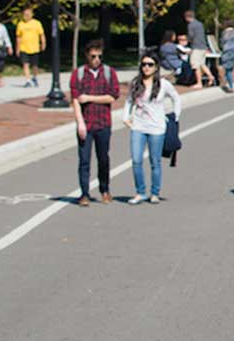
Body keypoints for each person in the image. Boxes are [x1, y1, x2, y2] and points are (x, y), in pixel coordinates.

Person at [124, 52, 181, 204]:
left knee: (155, 161)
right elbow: (129, 101)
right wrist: (126, 117)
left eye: (150, 65)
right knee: (136, 160)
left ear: (156, 67)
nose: (146, 68)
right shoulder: (136, 83)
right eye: (144, 64)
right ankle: (140, 192)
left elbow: (176, 97)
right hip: (138, 126)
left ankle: (154, 192)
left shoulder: (163, 84)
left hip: (157, 128)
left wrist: (176, 116)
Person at [71, 41, 120, 207]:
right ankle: (84, 193)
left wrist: (90, 98)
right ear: (86, 55)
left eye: (99, 56)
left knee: (103, 158)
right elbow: (76, 99)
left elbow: (112, 96)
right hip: (86, 123)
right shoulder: (78, 74)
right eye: (93, 56)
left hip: (103, 122)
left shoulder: (109, 73)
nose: (96, 59)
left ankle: (105, 190)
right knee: (84, 159)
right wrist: (80, 123)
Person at [16, 9, 46, 88]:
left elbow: (41, 34)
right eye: (25, 14)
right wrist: (17, 48)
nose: (26, 16)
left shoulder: (37, 23)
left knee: (35, 65)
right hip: (24, 48)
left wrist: (43, 43)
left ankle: (34, 77)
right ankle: (27, 80)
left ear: (32, 15)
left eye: (28, 14)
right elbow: (18, 37)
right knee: (25, 64)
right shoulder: (20, 24)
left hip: (34, 48)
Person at [184, 11, 214, 88]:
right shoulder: (200, 24)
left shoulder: (191, 25)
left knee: (195, 65)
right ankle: (210, 76)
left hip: (196, 47)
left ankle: (199, 83)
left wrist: (188, 42)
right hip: (203, 47)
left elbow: (191, 36)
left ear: (187, 17)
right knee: (202, 64)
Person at [219, 22, 234, 93]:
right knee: (230, 70)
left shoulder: (225, 33)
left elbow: (222, 43)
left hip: (227, 53)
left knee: (228, 70)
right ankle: (224, 83)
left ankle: (231, 86)